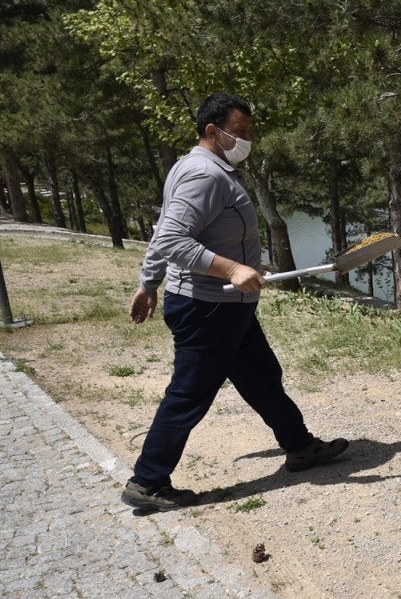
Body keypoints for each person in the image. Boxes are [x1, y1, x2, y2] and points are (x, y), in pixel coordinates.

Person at [122, 93, 348, 512]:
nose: (247, 139)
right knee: (189, 394)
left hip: (229, 308)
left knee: (262, 374)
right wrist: (230, 270)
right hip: (208, 308)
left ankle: (299, 447)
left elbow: (162, 229)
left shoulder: (206, 167)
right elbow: (171, 238)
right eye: (240, 132)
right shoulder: (203, 175)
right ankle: (147, 481)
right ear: (213, 131)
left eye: (248, 131)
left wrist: (148, 282)